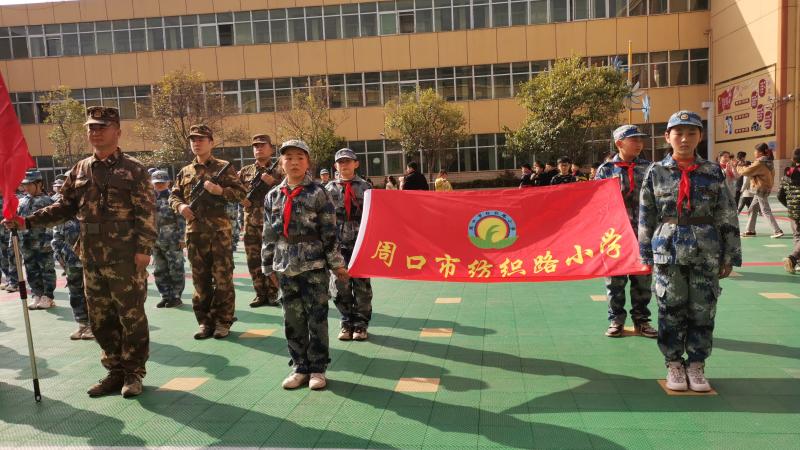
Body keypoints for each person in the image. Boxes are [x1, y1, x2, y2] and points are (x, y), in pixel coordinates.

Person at [5, 106, 156, 398]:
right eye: (91, 127)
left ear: (117, 131)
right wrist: (26, 222)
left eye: (101, 127)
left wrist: (144, 249)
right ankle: (115, 371)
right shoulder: (81, 169)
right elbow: (64, 207)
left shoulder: (134, 169)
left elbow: (147, 213)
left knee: (131, 316)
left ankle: (133, 373)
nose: (94, 132)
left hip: (125, 256)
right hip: (91, 255)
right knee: (100, 318)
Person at [639, 110, 741, 392]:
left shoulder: (712, 171)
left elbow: (726, 214)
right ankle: (673, 362)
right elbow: (646, 215)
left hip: (705, 250)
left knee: (703, 309)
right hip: (667, 250)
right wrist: (644, 255)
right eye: (679, 133)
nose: (684, 139)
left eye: (691, 133)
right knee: (669, 308)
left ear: (700, 136)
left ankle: (696, 364)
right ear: (667, 137)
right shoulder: (656, 172)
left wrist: (730, 255)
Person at [262, 139, 348, 391]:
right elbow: (268, 234)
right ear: (281, 163)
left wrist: (336, 265)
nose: (294, 162)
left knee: (316, 318)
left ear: (308, 162)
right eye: (288, 158)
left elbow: (329, 232)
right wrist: (267, 265)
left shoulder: (319, 193)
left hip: (313, 266)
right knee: (292, 318)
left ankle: (318, 368)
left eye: (300, 157)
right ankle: (300, 367)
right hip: (285, 265)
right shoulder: (273, 196)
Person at [169, 124, 246, 340]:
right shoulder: (185, 171)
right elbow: (173, 196)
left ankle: (223, 321)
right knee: (200, 280)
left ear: (211, 143)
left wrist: (221, 191)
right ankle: (204, 322)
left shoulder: (224, 167)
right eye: (193, 139)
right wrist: (180, 207)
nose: (196, 143)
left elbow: (242, 194)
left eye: (201, 139)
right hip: (195, 234)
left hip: (219, 234)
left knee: (223, 279)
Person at [595, 125, 656, 338]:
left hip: (644, 234)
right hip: (615, 236)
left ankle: (642, 321)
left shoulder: (650, 168)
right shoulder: (605, 170)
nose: (639, 144)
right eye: (634, 140)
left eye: (640, 140)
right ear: (619, 143)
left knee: (643, 280)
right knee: (615, 281)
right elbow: (597, 203)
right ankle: (616, 320)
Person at [325, 148, 373, 342]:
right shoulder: (328, 189)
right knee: (340, 285)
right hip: (337, 244)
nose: (344, 165)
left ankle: (361, 324)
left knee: (362, 286)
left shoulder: (366, 187)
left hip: (361, 243)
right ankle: (346, 322)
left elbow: (375, 214)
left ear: (356, 164)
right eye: (340, 162)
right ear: (335, 166)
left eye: (348, 161)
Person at [239, 134, 281, 308]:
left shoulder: (280, 170)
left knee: (273, 257)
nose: (259, 149)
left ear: (271, 148)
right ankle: (260, 294)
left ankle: (273, 293)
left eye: (263, 145)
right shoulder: (245, 171)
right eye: (256, 146)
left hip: (273, 223)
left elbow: (290, 191)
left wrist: (274, 183)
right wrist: (241, 199)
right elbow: (233, 191)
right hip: (251, 224)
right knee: (253, 260)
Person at [50, 174, 93, 340]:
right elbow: (57, 236)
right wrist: (59, 256)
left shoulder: (92, 206)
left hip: (91, 261)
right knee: (75, 294)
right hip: (71, 261)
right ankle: (82, 324)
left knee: (94, 295)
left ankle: (95, 327)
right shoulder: (63, 210)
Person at [17, 170, 56, 310]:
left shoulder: (48, 201)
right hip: (25, 242)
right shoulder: (21, 201)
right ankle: (37, 294)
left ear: (39, 184)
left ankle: (48, 296)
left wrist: (49, 240)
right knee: (31, 269)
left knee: (46, 269)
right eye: (24, 184)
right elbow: (18, 221)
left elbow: (54, 222)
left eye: (29, 184)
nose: (26, 187)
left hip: (43, 242)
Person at [151, 170, 185, 309]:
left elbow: (181, 219)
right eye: (156, 183)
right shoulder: (148, 198)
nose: (159, 185)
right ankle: (165, 296)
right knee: (159, 270)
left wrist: (182, 237)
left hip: (172, 239)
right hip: (155, 240)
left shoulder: (174, 198)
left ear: (168, 183)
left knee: (175, 269)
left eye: (162, 183)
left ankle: (176, 296)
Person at [737, 143, 784, 238]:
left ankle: (777, 230)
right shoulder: (769, 161)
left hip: (760, 188)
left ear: (760, 152)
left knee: (765, 210)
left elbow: (746, 172)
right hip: (765, 187)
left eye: (755, 151)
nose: (754, 153)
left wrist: (738, 166)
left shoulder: (760, 162)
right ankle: (750, 230)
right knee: (752, 209)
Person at [778, 148, 800, 273]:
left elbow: (780, 195)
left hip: (793, 210)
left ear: (793, 159)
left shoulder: (787, 174)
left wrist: (790, 205)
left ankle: (796, 262)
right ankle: (793, 258)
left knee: (797, 235)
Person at [0, 193, 19, 293]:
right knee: (3, 258)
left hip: (9, 233)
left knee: (12, 257)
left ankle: (15, 282)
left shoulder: (9, 198)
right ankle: (9, 279)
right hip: (1, 233)